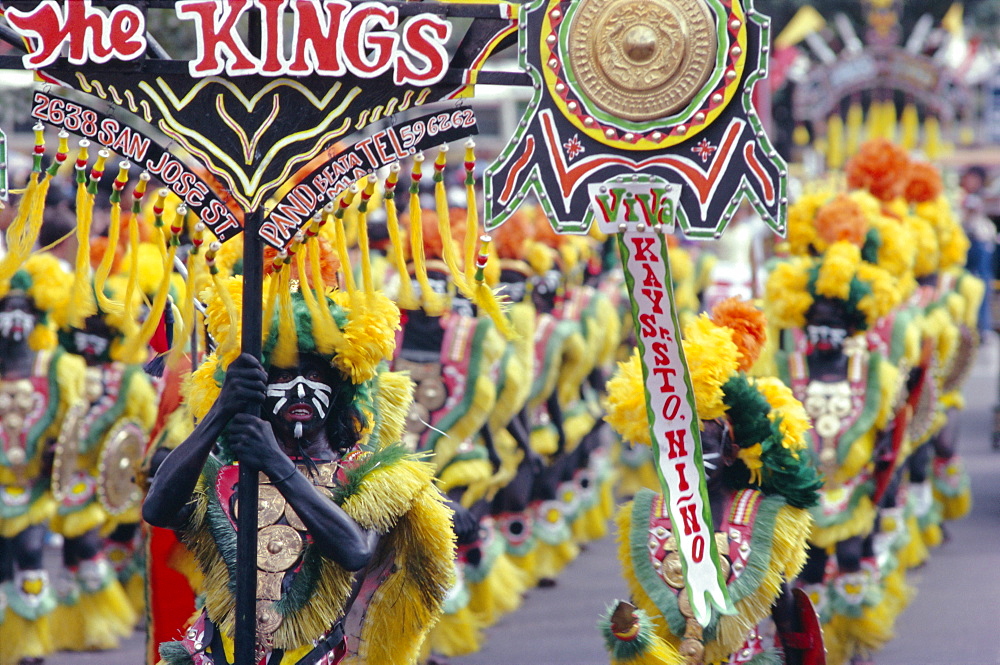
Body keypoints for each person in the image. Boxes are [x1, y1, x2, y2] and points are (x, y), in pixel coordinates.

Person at [143, 233, 456, 665]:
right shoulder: (224, 473)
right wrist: (221, 412)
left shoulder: (369, 476)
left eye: (315, 374)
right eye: (283, 375)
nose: (300, 389)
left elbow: (353, 550)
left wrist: (275, 462)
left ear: (342, 387)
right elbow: (157, 509)